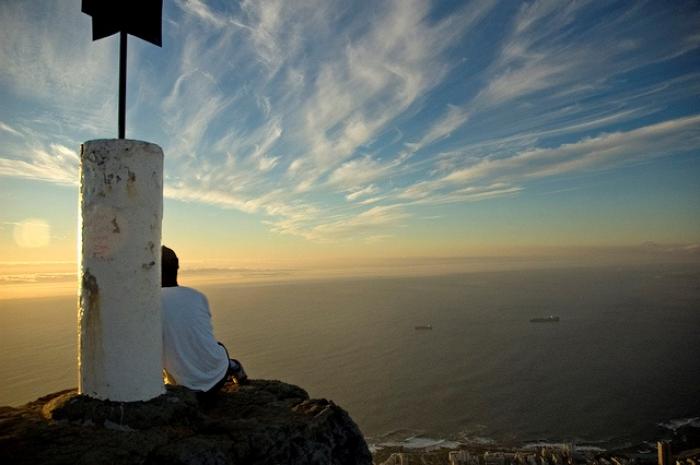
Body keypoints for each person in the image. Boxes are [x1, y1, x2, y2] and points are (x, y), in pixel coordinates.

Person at [161, 245, 247, 399]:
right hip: (217, 380)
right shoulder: (197, 296)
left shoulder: (147, 304)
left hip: (186, 391)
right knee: (219, 347)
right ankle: (233, 366)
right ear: (177, 265)